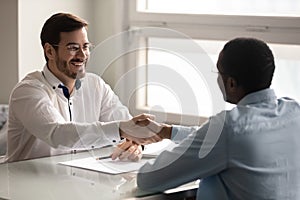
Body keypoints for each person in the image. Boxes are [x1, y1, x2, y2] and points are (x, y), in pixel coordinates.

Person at [134, 38, 300, 199]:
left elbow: (149, 179)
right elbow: (222, 142)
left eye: (218, 73)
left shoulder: (228, 128)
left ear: (232, 83)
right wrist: (167, 131)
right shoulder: (293, 111)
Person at [3, 12, 160, 163]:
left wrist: (134, 144)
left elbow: (126, 126)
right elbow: (58, 134)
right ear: (50, 51)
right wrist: (121, 130)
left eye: (85, 47)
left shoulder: (96, 85)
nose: (82, 55)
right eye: (73, 48)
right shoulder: (28, 91)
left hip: (79, 182)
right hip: (25, 185)